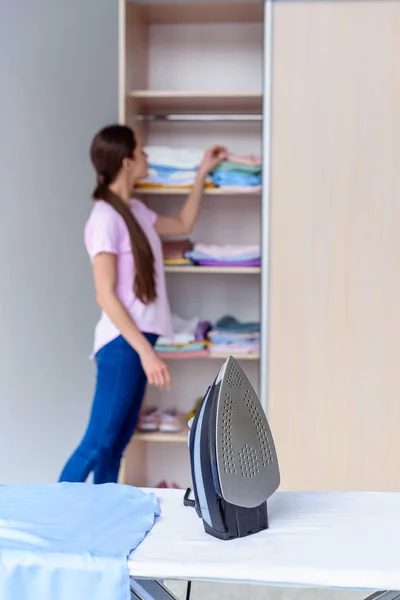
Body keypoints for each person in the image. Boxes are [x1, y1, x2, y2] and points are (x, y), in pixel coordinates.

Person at [59, 124, 227, 484]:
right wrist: (146, 354)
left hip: (138, 342)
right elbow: (105, 295)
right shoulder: (104, 219)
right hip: (123, 344)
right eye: (142, 152)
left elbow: (183, 222)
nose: (148, 157)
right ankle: (55, 525)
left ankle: (102, 524)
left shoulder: (134, 211)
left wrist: (201, 175)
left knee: (116, 445)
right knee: (97, 444)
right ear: (127, 162)